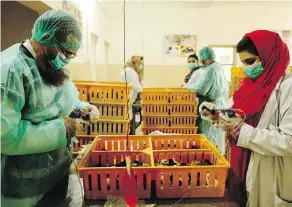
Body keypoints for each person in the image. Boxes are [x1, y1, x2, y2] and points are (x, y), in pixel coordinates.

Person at [1, 10, 100, 206]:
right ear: (46, 39)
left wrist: (82, 108)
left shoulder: (49, 64)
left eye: (72, 55)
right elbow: (5, 136)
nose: (67, 59)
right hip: (23, 187)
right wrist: (61, 129)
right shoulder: (11, 70)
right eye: (66, 53)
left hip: (57, 173)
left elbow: (64, 101)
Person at [199, 30, 292, 207]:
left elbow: (289, 140)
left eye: (250, 61)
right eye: (243, 63)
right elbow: (235, 112)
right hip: (246, 164)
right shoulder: (250, 85)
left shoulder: (288, 88)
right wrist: (216, 114)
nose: (247, 68)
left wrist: (242, 131)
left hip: (272, 176)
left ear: (269, 56)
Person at [188, 47, 228, 154]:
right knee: (216, 132)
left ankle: (209, 159)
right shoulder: (218, 66)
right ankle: (216, 155)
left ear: (203, 58)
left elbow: (202, 88)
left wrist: (188, 88)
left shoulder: (210, 69)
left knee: (208, 134)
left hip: (210, 106)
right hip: (219, 103)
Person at [120, 55, 144, 134]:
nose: (141, 66)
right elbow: (138, 87)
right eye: (140, 64)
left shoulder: (131, 71)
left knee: (130, 121)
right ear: (135, 63)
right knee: (128, 122)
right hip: (127, 100)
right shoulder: (129, 71)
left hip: (129, 100)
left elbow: (139, 85)